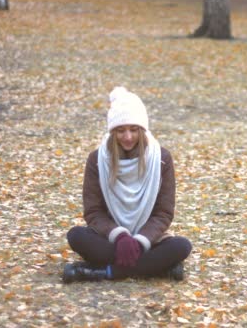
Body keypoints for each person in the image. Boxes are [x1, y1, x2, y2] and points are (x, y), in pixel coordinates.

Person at [62, 87, 192, 283]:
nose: (128, 137)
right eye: (121, 130)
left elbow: (163, 213)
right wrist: (120, 236)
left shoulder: (161, 159)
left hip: (148, 239)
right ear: (112, 132)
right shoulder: (97, 160)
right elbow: (93, 212)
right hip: (110, 238)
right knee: (76, 236)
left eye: (134, 129)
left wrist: (140, 242)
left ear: (143, 130)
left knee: (181, 246)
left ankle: (102, 272)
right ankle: (156, 268)